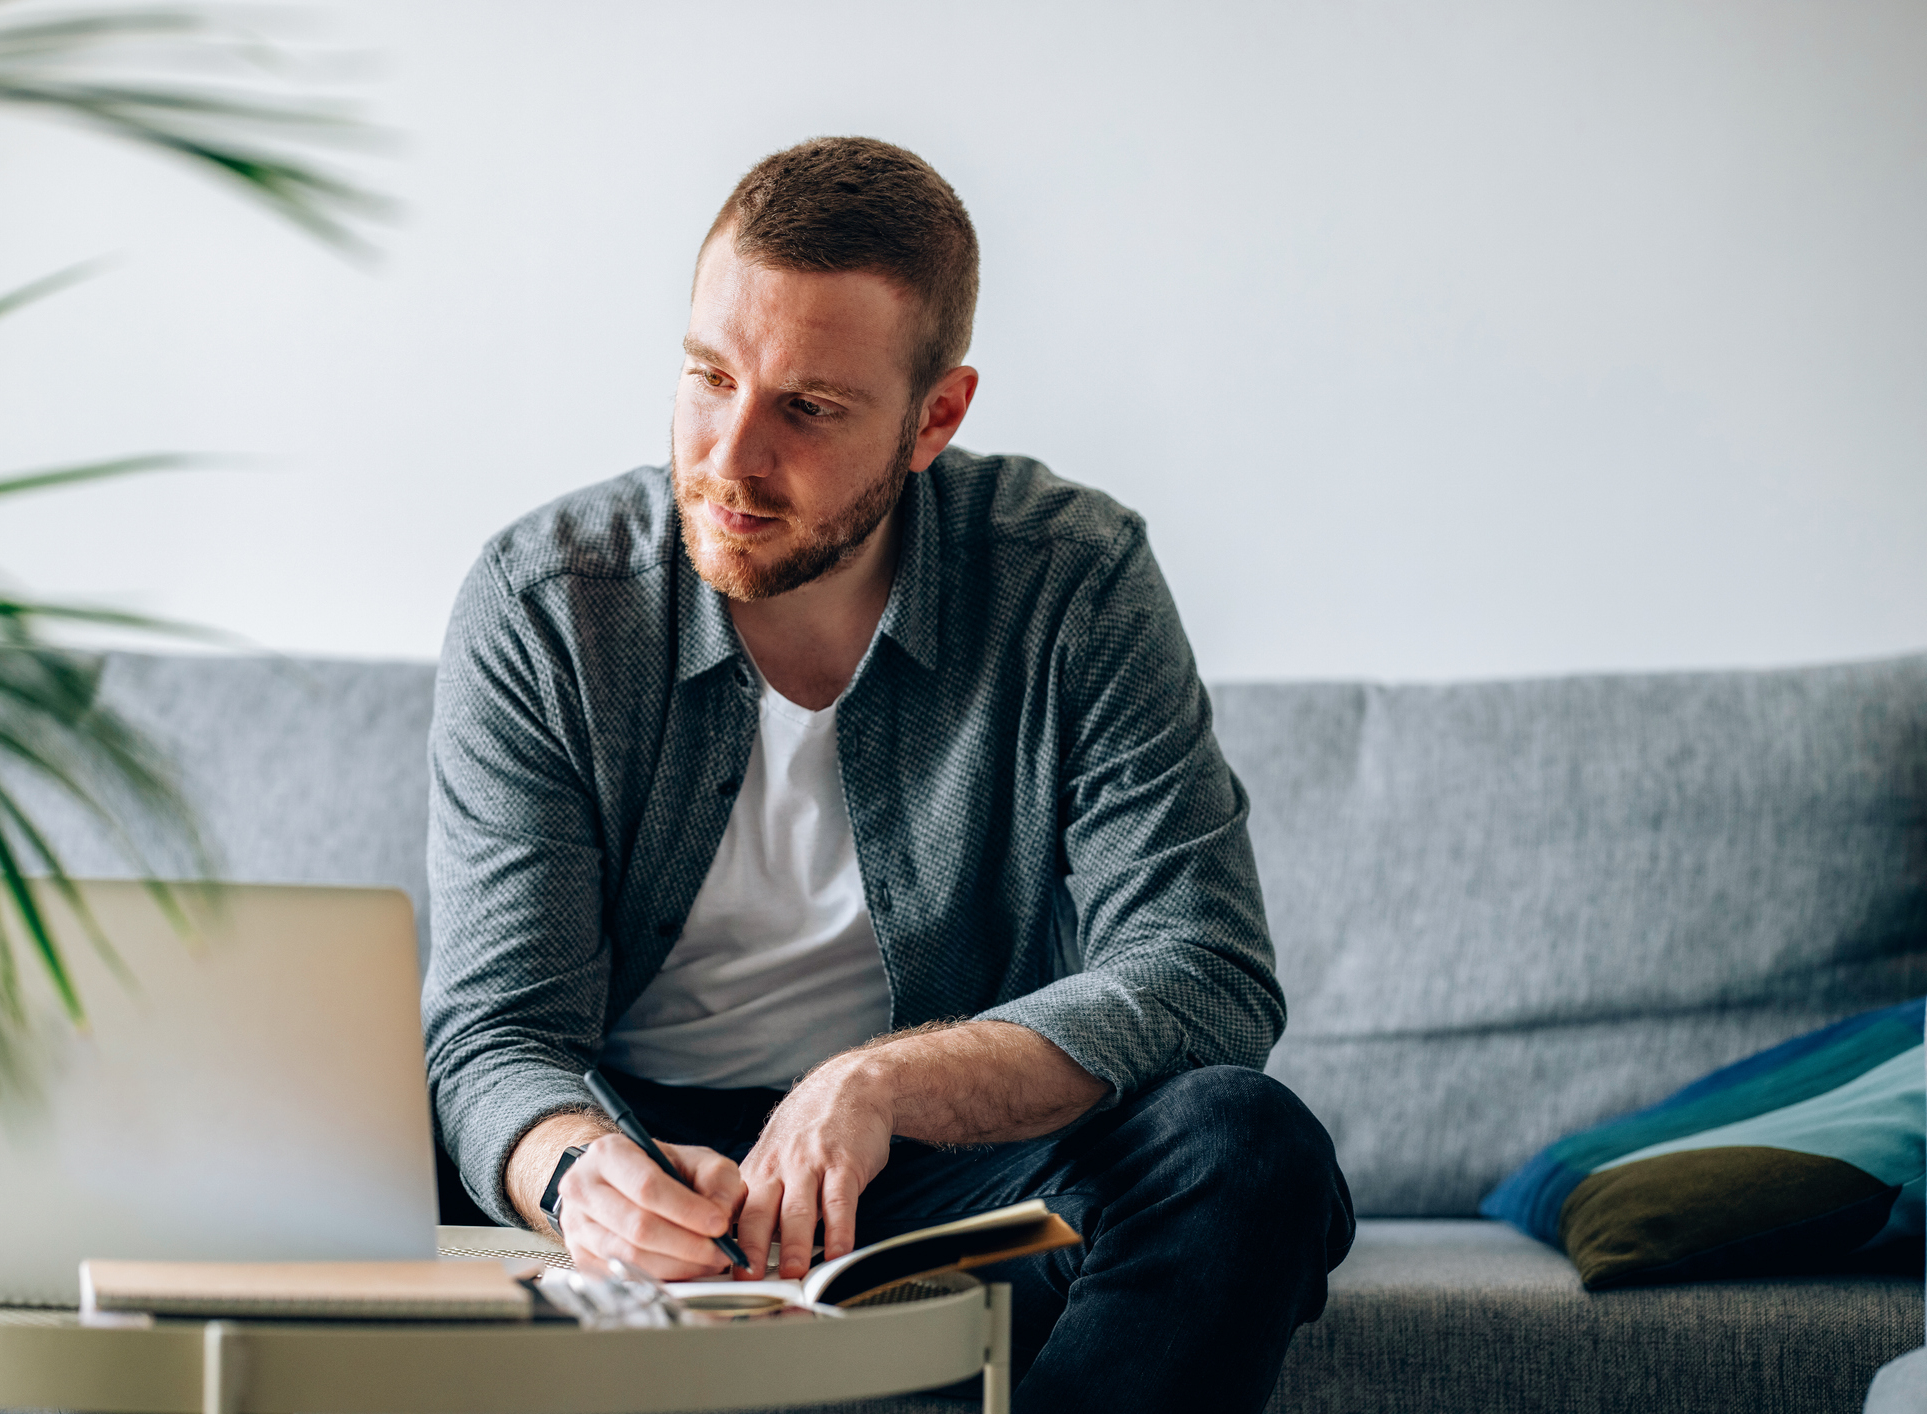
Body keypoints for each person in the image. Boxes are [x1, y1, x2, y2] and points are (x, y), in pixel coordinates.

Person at [424, 136, 1354, 1412]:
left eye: (808, 408)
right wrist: (581, 1171)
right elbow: (493, 1033)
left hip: (934, 1166)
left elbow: (1203, 972)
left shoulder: (1070, 581)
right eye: (707, 376)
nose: (730, 458)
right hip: (643, 1149)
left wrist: (872, 1086)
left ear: (935, 418)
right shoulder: (545, 605)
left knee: (1244, 1150)